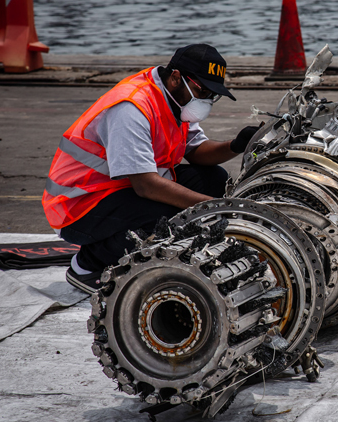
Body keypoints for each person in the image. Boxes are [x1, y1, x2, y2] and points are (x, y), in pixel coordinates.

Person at [42, 44, 258, 293]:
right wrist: (212, 208)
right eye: (203, 91)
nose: (207, 100)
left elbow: (197, 151)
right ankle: (88, 264)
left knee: (214, 179)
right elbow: (146, 185)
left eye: (213, 95)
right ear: (177, 77)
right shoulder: (131, 107)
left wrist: (237, 145)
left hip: (121, 189)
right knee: (169, 216)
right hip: (79, 204)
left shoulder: (174, 100)